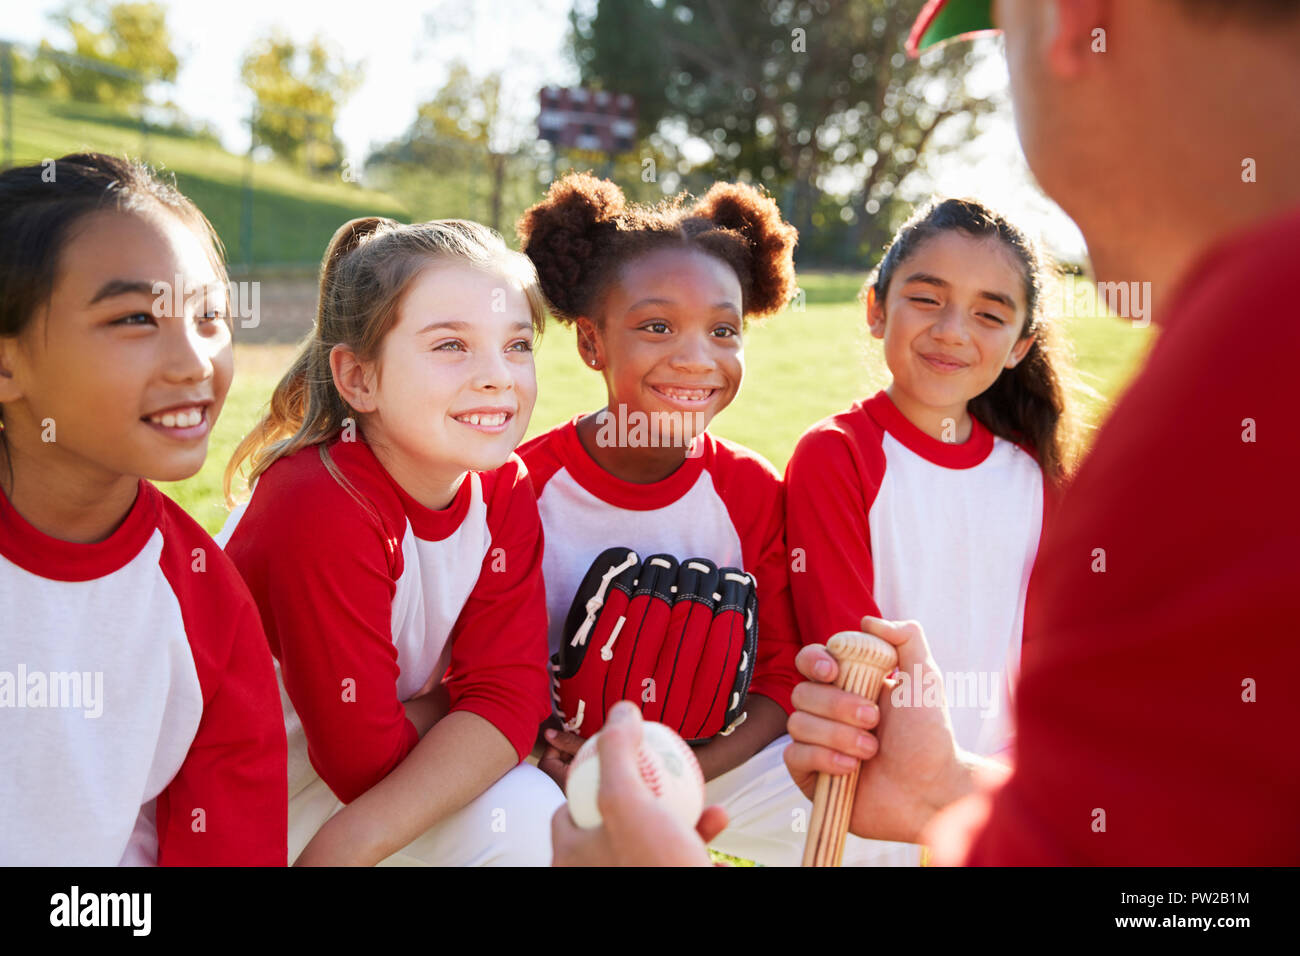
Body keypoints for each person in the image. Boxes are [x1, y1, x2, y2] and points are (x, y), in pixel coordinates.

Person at [555, 0, 1300, 866]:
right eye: (929, 298)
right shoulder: (1242, 355)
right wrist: (947, 786)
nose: (954, 330)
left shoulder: (1245, 366)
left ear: (1071, 21)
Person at [518, 173, 860, 866]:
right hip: (541, 768)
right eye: (656, 326)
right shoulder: (523, 486)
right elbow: (488, 671)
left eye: (723, 330)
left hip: (711, 762)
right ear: (591, 343)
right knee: (513, 829)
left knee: (857, 813)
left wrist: (678, 772)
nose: (697, 357)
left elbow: (778, 679)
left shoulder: (750, 492)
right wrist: (559, 759)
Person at [219, 217, 564, 866]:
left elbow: (516, 698)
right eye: (450, 346)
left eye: (517, 345)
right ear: (359, 379)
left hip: (351, 812)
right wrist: (460, 700)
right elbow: (364, 761)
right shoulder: (319, 501)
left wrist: (349, 845)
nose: (498, 376)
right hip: (233, 817)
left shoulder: (502, 484)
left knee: (529, 816)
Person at [0, 152, 286, 865]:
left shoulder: (207, 602)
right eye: (134, 318)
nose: (194, 361)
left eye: (210, 317)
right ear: (7, 365)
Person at [783, 196, 1077, 865]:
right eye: (927, 298)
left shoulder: (1034, 479)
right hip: (870, 786)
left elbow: (1048, 656)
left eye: (989, 314)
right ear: (875, 308)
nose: (952, 330)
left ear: (1019, 346)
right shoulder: (838, 453)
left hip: (994, 794)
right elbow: (846, 646)